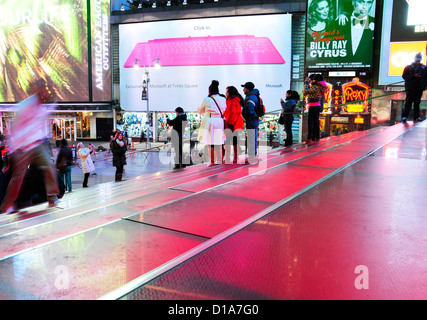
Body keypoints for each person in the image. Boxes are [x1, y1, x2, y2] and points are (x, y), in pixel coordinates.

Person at [0, 83, 60, 214]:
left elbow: (43, 117)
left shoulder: (41, 106)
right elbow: (16, 127)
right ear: (38, 91)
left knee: (49, 166)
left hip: (36, 143)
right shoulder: (26, 105)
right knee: (18, 176)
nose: (46, 95)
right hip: (23, 145)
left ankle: (52, 197)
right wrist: (16, 146)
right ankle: (7, 205)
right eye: (44, 92)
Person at [197, 80, 227, 165]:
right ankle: (220, 160)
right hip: (219, 121)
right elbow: (224, 109)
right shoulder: (223, 99)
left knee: (211, 142)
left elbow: (200, 111)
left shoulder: (207, 99)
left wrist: (199, 109)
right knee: (219, 142)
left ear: (209, 91)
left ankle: (212, 161)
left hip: (210, 122)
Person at [303, 74, 328, 144]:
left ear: (316, 80)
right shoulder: (321, 87)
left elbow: (306, 91)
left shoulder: (316, 87)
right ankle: (317, 137)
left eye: (313, 79)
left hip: (313, 106)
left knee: (310, 123)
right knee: (316, 122)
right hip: (317, 106)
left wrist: (306, 83)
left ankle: (309, 139)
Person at [401, 52, 426, 122]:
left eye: (419, 60)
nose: (418, 61)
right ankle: (405, 117)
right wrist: (414, 76)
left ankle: (417, 117)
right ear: (414, 59)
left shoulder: (424, 68)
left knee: (417, 103)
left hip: (419, 87)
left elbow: (426, 77)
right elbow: (404, 76)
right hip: (410, 87)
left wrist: (425, 85)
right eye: (417, 60)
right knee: (408, 102)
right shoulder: (408, 67)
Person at [224, 86, 244, 164]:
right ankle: (236, 156)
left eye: (226, 92)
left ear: (230, 92)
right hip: (237, 123)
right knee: (235, 140)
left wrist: (230, 124)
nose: (225, 93)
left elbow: (231, 113)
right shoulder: (237, 100)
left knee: (228, 141)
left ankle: (228, 157)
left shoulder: (231, 101)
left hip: (232, 123)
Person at [241, 81, 260, 162]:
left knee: (251, 138)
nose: (243, 90)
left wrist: (248, 117)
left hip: (251, 120)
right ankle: (253, 155)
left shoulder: (250, 98)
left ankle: (252, 156)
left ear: (248, 89)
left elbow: (250, 110)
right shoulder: (254, 96)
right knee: (252, 138)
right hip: (253, 120)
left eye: (244, 88)